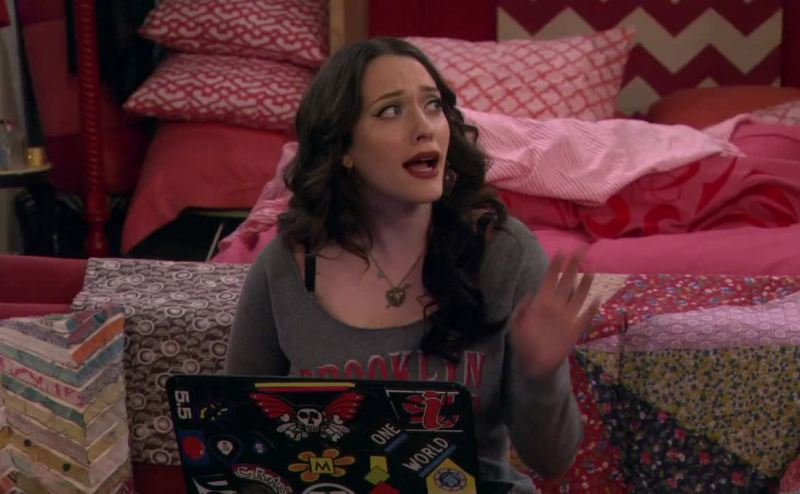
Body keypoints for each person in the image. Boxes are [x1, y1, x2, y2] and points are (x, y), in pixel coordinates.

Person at [225, 37, 598, 493]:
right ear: (343, 147)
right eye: (390, 111)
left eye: (433, 106)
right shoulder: (286, 265)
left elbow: (552, 459)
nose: (424, 128)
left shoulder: (504, 253)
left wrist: (541, 373)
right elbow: (236, 430)